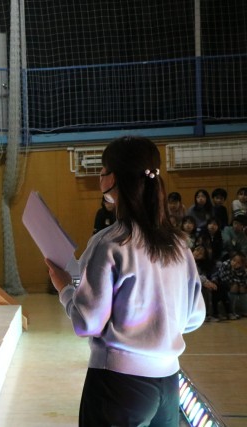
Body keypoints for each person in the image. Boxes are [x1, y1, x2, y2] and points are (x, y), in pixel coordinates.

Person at [45, 135, 205, 426]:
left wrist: (64, 289)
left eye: (102, 170)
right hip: (169, 383)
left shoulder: (110, 242)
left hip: (118, 385)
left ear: (112, 180)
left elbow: (88, 323)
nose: (100, 177)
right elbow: (195, 316)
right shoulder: (179, 243)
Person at [209, 252, 246, 320]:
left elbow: (242, 280)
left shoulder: (242, 269)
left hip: (231, 282)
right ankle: (231, 311)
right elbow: (223, 278)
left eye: (238, 263)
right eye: (234, 260)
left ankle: (244, 311)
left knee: (242, 287)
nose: (235, 263)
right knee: (235, 285)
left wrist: (239, 282)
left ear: (241, 264)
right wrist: (236, 279)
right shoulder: (225, 264)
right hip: (220, 282)